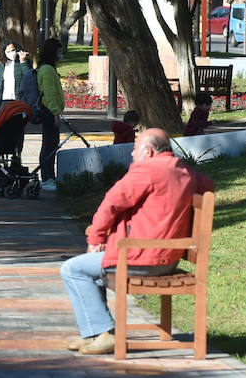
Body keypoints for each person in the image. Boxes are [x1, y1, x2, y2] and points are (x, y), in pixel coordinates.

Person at [59, 128, 215, 355]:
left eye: (135, 149)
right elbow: (207, 185)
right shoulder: (184, 171)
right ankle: (98, 333)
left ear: (149, 152)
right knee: (91, 269)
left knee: (73, 269)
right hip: (167, 260)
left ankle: (107, 334)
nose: (132, 155)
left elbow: (111, 202)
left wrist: (96, 238)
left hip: (141, 260)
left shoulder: (148, 171)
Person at [36, 38, 65, 191]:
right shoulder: (47, 70)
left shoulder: (48, 68)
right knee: (49, 145)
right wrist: (55, 113)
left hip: (51, 111)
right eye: (59, 52)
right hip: (48, 111)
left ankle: (50, 176)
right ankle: (46, 178)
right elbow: (49, 94)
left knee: (52, 144)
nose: (60, 55)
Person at [0, 40, 40, 113]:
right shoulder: (0, 63)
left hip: (18, 100)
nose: (12, 53)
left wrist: (23, 62)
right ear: (4, 53)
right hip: (4, 99)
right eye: (8, 52)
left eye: (13, 50)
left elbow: (29, 78)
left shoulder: (24, 61)